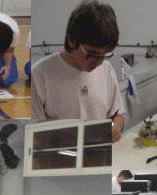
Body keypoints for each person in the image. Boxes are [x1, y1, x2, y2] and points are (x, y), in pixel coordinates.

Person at [31, 1, 125, 143]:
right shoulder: (40, 74)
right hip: (58, 160)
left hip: (98, 157)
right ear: (71, 40)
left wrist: (116, 126)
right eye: (91, 53)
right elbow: (33, 131)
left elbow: (117, 114)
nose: (98, 61)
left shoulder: (106, 69)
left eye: (104, 54)